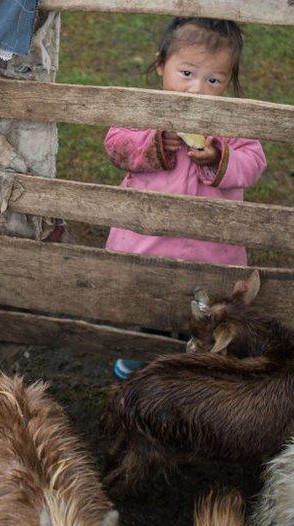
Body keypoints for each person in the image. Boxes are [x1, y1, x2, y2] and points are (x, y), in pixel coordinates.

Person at [106, 18, 267, 378]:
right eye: (187, 73)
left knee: (205, 311)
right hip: (147, 242)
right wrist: (152, 145)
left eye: (214, 80)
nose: (197, 89)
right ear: (161, 64)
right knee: (147, 303)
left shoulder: (233, 121)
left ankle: (194, 363)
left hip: (209, 249)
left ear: (228, 81)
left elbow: (255, 162)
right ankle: (141, 353)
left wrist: (221, 158)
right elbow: (115, 144)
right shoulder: (144, 109)